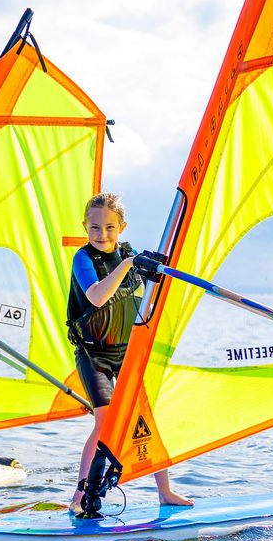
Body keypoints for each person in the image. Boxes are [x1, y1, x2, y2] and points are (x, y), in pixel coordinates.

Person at [66, 192, 192, 511]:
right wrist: (128, 265)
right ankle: (79, 496)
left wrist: (154, 269)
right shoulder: (84, 259)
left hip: (126, 353)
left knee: (145, 418)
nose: (102, 234)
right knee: (105, 421)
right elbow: (96, 296)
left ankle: (164, 490)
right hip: (93, 354)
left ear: (122, 227)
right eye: (95, 228)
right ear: (85, 227)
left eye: (110, 227)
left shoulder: (128, 254)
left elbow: (151, 292)